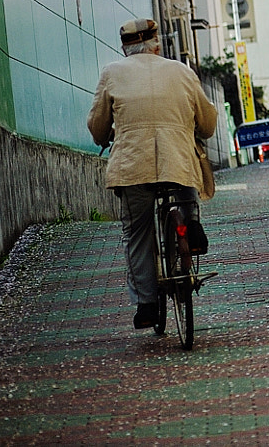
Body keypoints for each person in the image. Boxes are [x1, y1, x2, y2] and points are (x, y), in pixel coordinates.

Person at [87, 18, 218, 330]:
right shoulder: (182, 72)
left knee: (137, 232)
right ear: (157, 45)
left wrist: (105, 136)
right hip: (178, 162)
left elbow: (97, 126)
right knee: (185, 190)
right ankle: (190, 225)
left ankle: (146, 303)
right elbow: (209, 122)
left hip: (134, 167)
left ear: (125, 48)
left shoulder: (112, 73)